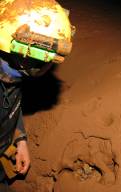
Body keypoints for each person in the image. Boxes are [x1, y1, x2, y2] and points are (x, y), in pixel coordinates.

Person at [0, 0, 74, 190]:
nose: (48, 66)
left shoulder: (12, 74)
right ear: (23, 56)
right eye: (42, 61)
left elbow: (10, 107)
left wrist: (19, 139)